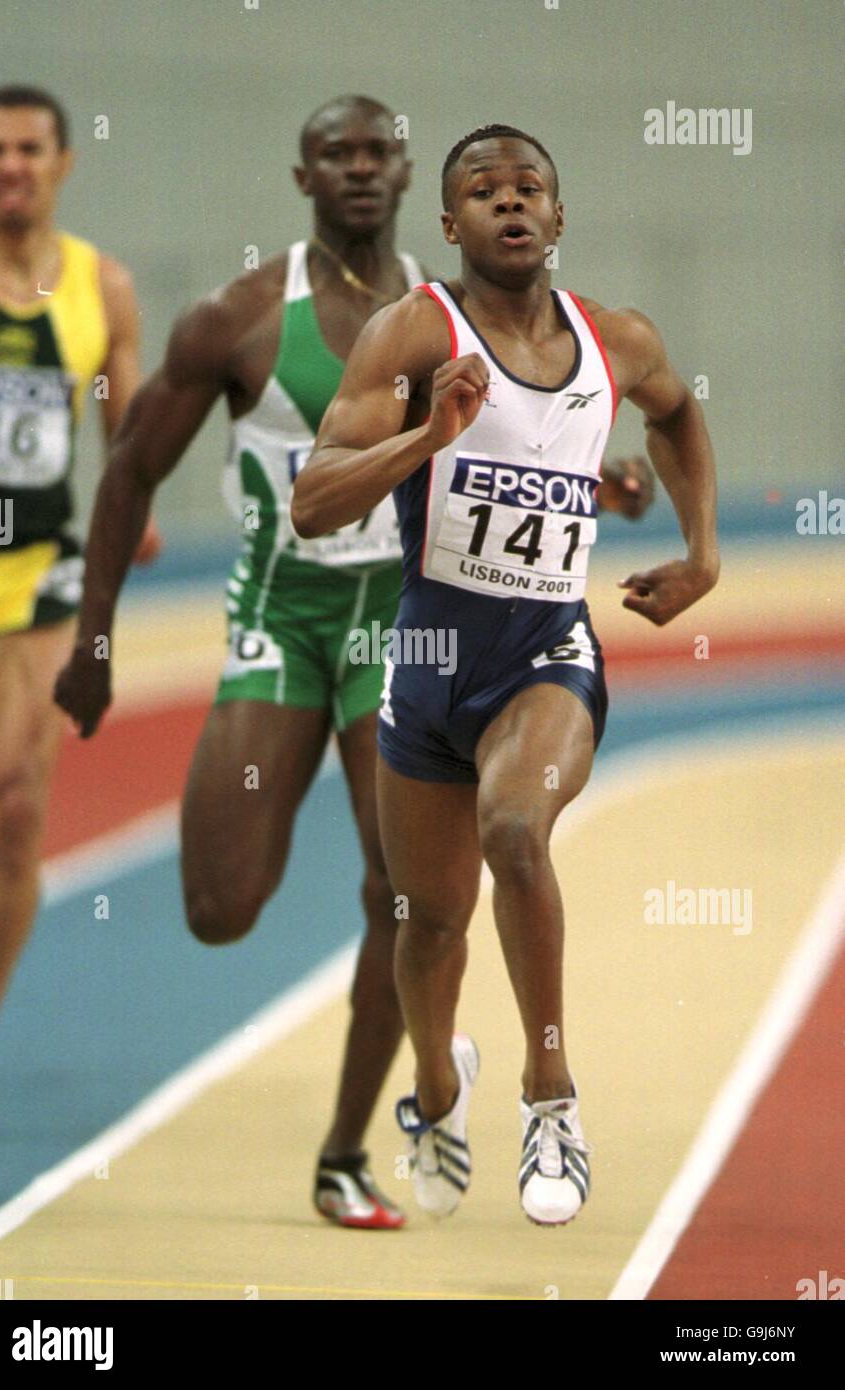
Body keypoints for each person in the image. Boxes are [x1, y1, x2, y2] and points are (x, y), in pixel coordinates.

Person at [55, 100, 652, 1227]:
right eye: (340, 154)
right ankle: (432, 1075)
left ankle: (356, 1143)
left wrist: (610, 486)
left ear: (411, 176)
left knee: (408, 894)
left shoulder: (466, 304)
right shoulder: (237, 317)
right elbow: (131, 463)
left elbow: (556, 441)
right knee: (219, 904)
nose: (361, 170)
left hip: (413, 618)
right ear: (305, 176)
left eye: (380, 152)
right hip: (282, 610)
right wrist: (94, 639)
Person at [292, 123, 719, 1226]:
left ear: (559, 215)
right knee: (425, 923)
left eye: (530, 186)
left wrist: (701, 549)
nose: (510, 203)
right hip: (428, 669)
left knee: (516, 833)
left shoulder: (614, 339)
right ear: (449, 225)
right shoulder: (410, 332)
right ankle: (439, 1089)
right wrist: (423, 438)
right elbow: (314, 500)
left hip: (544, 657)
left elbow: (675, 411)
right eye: (483, 191)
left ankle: (549, 1091)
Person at [0, 85, 159, 1139]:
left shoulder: (103, 288)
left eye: (28, 149)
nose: (9, 167)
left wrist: (138, 515)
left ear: (62, 162)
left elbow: (122, 438)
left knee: (12, 802)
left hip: (29, 575)